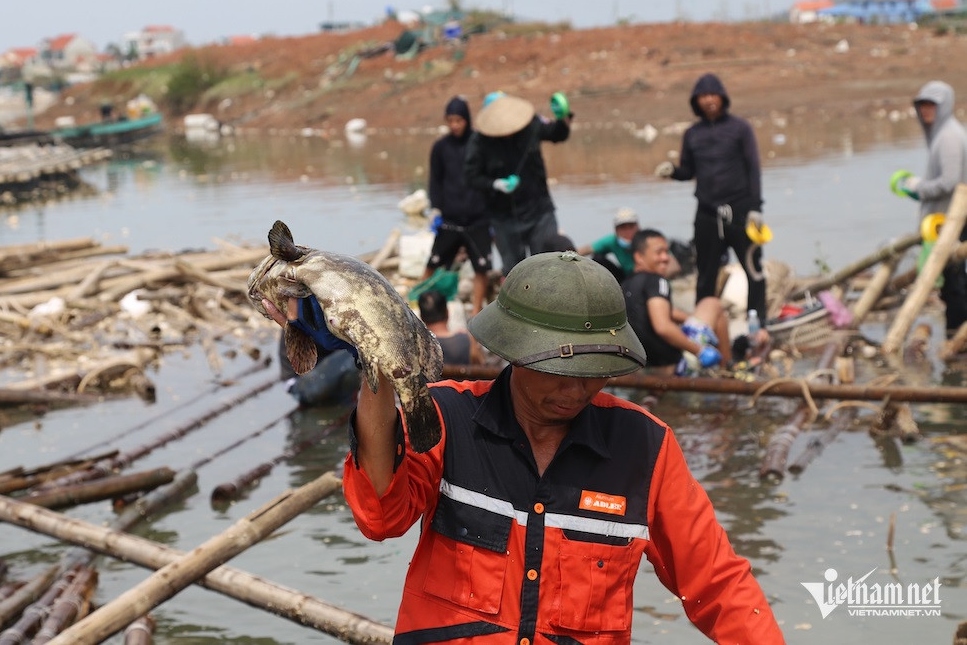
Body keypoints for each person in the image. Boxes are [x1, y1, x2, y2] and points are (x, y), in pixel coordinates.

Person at [323, 252, 782, 644]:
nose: (578, 387)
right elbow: (380, 516)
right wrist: (375, 369)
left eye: (596, 369)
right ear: (516, 353)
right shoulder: (447, 419)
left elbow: (718, 584)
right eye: (561, 370)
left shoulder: (645, 448)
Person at [655, 73, 768, 325]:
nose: (708, 100)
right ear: (696, 101)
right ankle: (702, 326)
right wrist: (672, 171)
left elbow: (753, 168)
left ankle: (757, 323)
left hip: (741, 212)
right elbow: (688, 171)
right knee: (705, 274)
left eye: (712, 94)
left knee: (753, 269)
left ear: (722, 97)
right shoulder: (693, 134)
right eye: (702, 96)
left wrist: (755, 208)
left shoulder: (740, 129)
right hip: (706, 213)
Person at [465, 92, 572, 276]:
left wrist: (563, 117)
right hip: (503, 216)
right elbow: (471, 177)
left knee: (548, 265)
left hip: (539, 211)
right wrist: (495, 184)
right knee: (515, 272)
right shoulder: (479, 140)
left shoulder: (530, 124)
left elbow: (557, 135)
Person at [892, 80, 967, 337]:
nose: (926, 111)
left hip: (954, 222)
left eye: (931, 105)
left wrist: (920, 186)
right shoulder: (942, 134)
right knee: (952, 283)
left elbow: (950, 181)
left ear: (944, 106)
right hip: (945, 219)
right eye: (922, 106)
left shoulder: (948, 136)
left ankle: (956, 335)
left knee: (956, 284)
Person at [622, 228, 731, 374]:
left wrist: (690, 319)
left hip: (640, 367)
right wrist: (699, 351)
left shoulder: (626, 285)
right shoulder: (657, 281)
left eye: (667, 252)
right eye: (659, 252)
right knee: (712, 304)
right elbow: (662, 326)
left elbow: (657, 311)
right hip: (672, 367)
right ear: (639, 257)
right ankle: (728, 369)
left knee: (698, 316)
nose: (665, 258)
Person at [424, 96, 493, 315]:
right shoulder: (440, 147)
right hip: (450, 220)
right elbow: (435, 181)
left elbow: (488, 179)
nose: (454, 125)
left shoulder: (480, 143)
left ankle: (476, 313)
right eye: (450, 120)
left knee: (481, 268)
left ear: (467, 119)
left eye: (459, 120)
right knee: (433, 263)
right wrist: (436, 209)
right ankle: (423, 305)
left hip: (478, 219)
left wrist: (492, 216)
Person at [417, 289, 482, 366]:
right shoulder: (468, 341)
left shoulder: (417, 346)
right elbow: (481, 365)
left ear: (421, 317)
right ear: (448, 312)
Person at [578, 206, 640, 282]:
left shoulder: (645, 242)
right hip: (625, 276)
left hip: (644, 276)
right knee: (598, 258)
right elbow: (586, 250)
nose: (628, 231)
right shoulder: (613, 241)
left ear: (638, 228)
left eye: (631, 227)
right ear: (616, 230)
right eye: (623, 227)